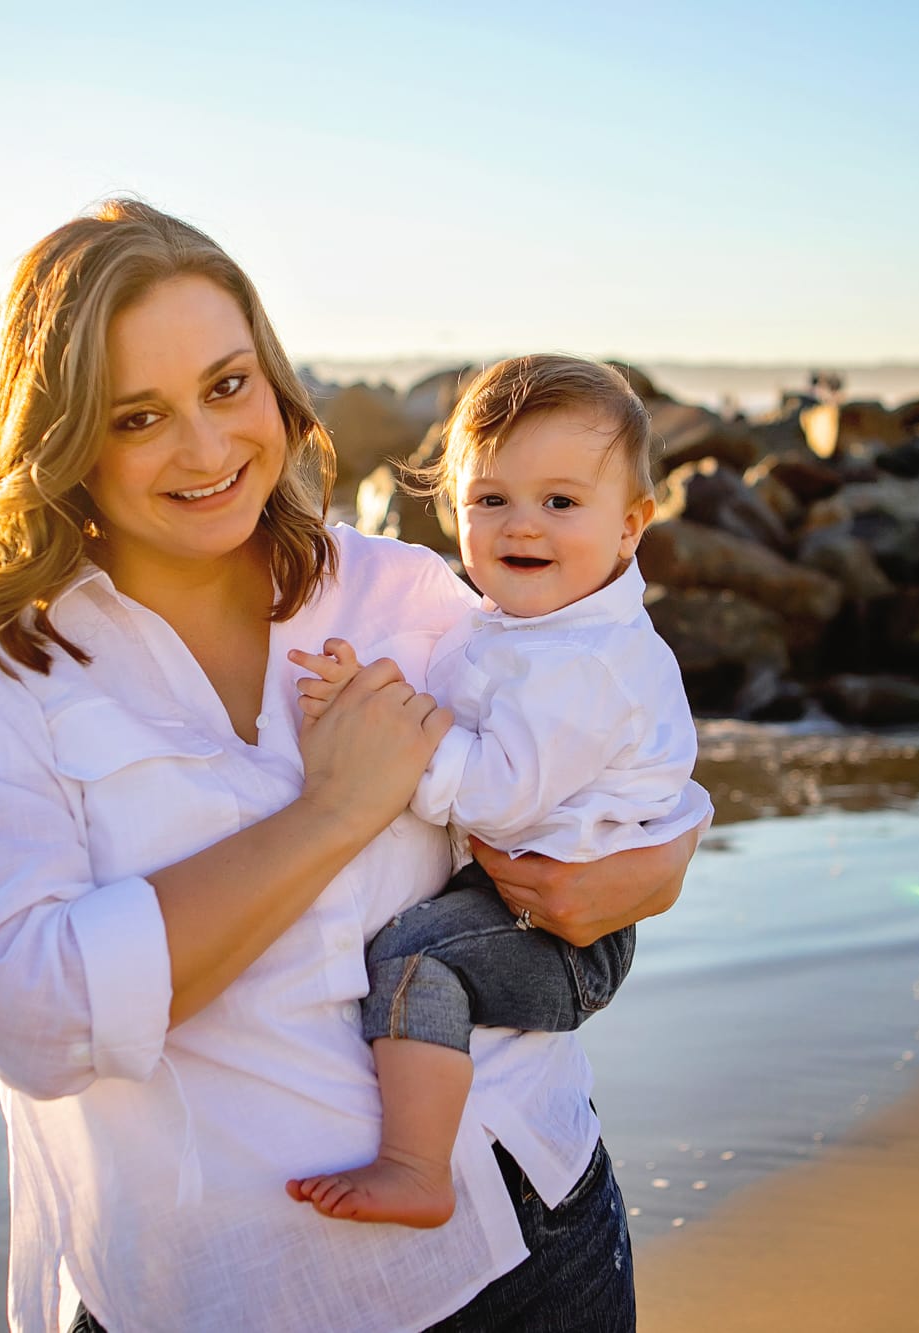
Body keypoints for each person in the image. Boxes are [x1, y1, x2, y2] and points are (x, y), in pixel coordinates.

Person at [0, 199, 705, 1333]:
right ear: (62, 436)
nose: (207, 448)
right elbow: (28, 1016)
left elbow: (597, 725)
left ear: (272, 379)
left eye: (227, 386)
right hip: (211, 1287)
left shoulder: (401, 597)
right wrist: (329, 811)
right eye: (137, 416)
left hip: (518, 1238)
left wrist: (664, 855)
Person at [284, 355, 710, 1230]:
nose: (523, 525)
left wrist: (395, 735)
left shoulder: (584, 661)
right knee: (425, 946)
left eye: (561, 502)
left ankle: (416, 1165)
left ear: (631, 527)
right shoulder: (525, 626)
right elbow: (457, 708)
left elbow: (501, 792)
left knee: (414, 959)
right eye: (491, 500)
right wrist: (376, 690)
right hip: (541, 900)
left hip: (570, 940)